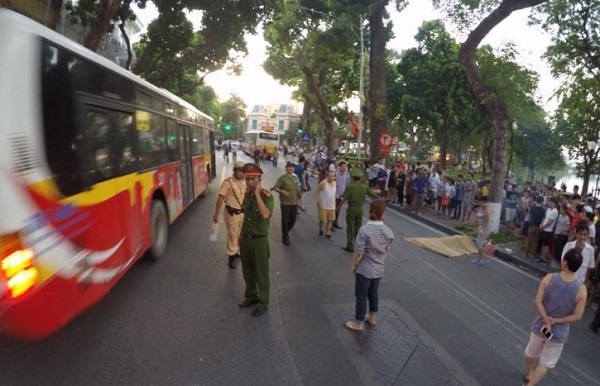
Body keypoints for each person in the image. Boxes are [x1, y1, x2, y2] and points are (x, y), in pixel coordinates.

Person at [523, 249, 587, 385]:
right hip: (559, 333)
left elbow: (537, 302)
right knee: (545, 364)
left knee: (531, 353)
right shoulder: (581, 289)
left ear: (564, 263)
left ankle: (529, 373)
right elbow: (577, 316)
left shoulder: (550, 277)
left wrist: (547, 320)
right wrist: (555, 321)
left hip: (540, 325)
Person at [344, 200, 394, 332]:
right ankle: (372, 317)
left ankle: (359, 323)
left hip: (365, 269)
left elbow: (359, 252)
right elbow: (386, 252)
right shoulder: (389, 232)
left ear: (370, 210)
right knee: (373, 293)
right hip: (379, 269)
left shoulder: (364, 230)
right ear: (383, 213)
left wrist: (354, 266)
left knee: (361, 295)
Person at [238, 163, 274, 317]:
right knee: (247, 272)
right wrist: (240, 238)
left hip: (259, 241)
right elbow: (246, 217)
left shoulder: (267, 196)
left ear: (259, 179)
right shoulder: (247, 195)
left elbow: (265, 215)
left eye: (252, 179)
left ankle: (263, 302)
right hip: (246, 240)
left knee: (261, 274)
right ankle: (251, 296)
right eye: (247, 179)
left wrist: (258, 194)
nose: (249, 182)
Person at [212, 161, 246, 269]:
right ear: (235, 170)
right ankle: (231, 256)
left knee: (240, 234)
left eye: (244, 171)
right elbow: (220, 198)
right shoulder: (227, 182)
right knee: (233, 234)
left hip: (242, 213)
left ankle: (236, 252)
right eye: (240, 171)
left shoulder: (244, 182)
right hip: (231, 213)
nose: (242, 173)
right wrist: (216, 214)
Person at [337, 168, 380, 252]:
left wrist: (338, 207)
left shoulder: (350, 187)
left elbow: (344, 199)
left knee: (350, 227)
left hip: (351, 209)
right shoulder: (364, 187)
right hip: (360, 209)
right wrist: (378, 193)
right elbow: (373, 195)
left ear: (353, 177)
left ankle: (350, 246)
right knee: (358, 227)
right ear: (360, 178)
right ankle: (358, 244)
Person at [273, 162, 301, 246]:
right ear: (286, 168)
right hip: (285, 203)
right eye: (290, 167)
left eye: (293, 167)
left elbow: (295, 190)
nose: (291, 169)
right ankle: (285, 237)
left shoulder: (294, 178)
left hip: (293, 203)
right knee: (285, 221)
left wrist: (298, 201)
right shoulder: (282, 178)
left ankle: (286, 231)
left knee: (293, 220)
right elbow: (275, 187)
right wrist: (282, 191)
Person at [317, 170, 337, 240]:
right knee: (323, 220)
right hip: (323, 205)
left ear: (335, 177)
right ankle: (320, 229)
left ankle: (328, 233)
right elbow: (317, 191)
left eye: (333, 176)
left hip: (332, 206)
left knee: (330, 220)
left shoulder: (335, 183)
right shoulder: (323, 183)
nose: (331, 177)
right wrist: (318, 201)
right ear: (327, 176)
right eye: (329, 176)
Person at [471, 195, 491, 265]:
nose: (478, 203)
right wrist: (474, 222)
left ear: (483, 202)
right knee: (479, 243)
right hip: (480, 227)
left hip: (485, 228)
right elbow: (478, 216)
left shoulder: (487, 209)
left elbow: (488, 221)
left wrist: (484, 230)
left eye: (479, 202)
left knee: (479, 244)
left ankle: (480, 259)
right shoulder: (481, 208)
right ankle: (479, 259)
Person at [333, 160, 351, 229]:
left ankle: (335, 222)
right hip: (335, 195)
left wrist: (345, 195)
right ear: (339, 167)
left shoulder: (347, 175)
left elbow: (347, 185)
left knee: (338, 209)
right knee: (333, 209)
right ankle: (330, 223)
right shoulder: (335, 174)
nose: (344, 168)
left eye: (345, 167)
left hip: (341, 195)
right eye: (343, 166)